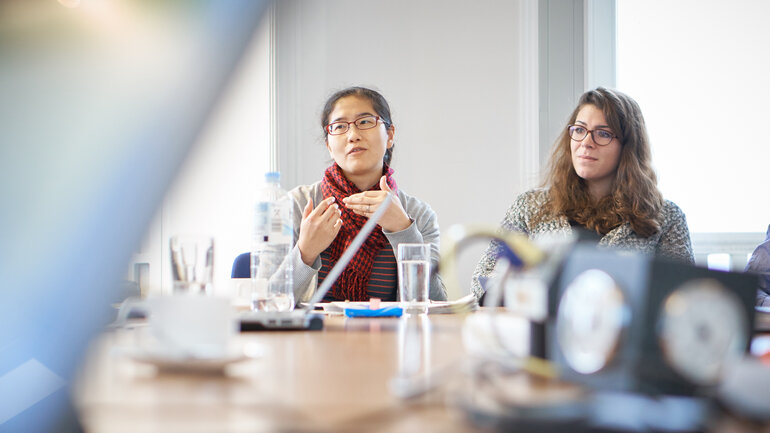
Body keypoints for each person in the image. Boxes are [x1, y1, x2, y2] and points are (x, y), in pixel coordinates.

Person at [471, 87, 694, 300]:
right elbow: (485, 281)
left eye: (603, 133)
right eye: (579, 130)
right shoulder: (529, 206)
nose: (586, 143)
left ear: (627, 147)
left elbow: (683, 297)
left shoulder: (666, 218)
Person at [288, 86, 446, 303]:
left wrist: (403, 232)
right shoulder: (297, 205)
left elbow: (435, 302)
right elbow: (267, 301)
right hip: (313, 335)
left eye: (364, 122)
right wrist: (305, 252)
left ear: (389, 135)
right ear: (328, 145)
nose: (353, 136)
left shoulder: (418, 214)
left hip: (391, 336)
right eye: (340, 126)